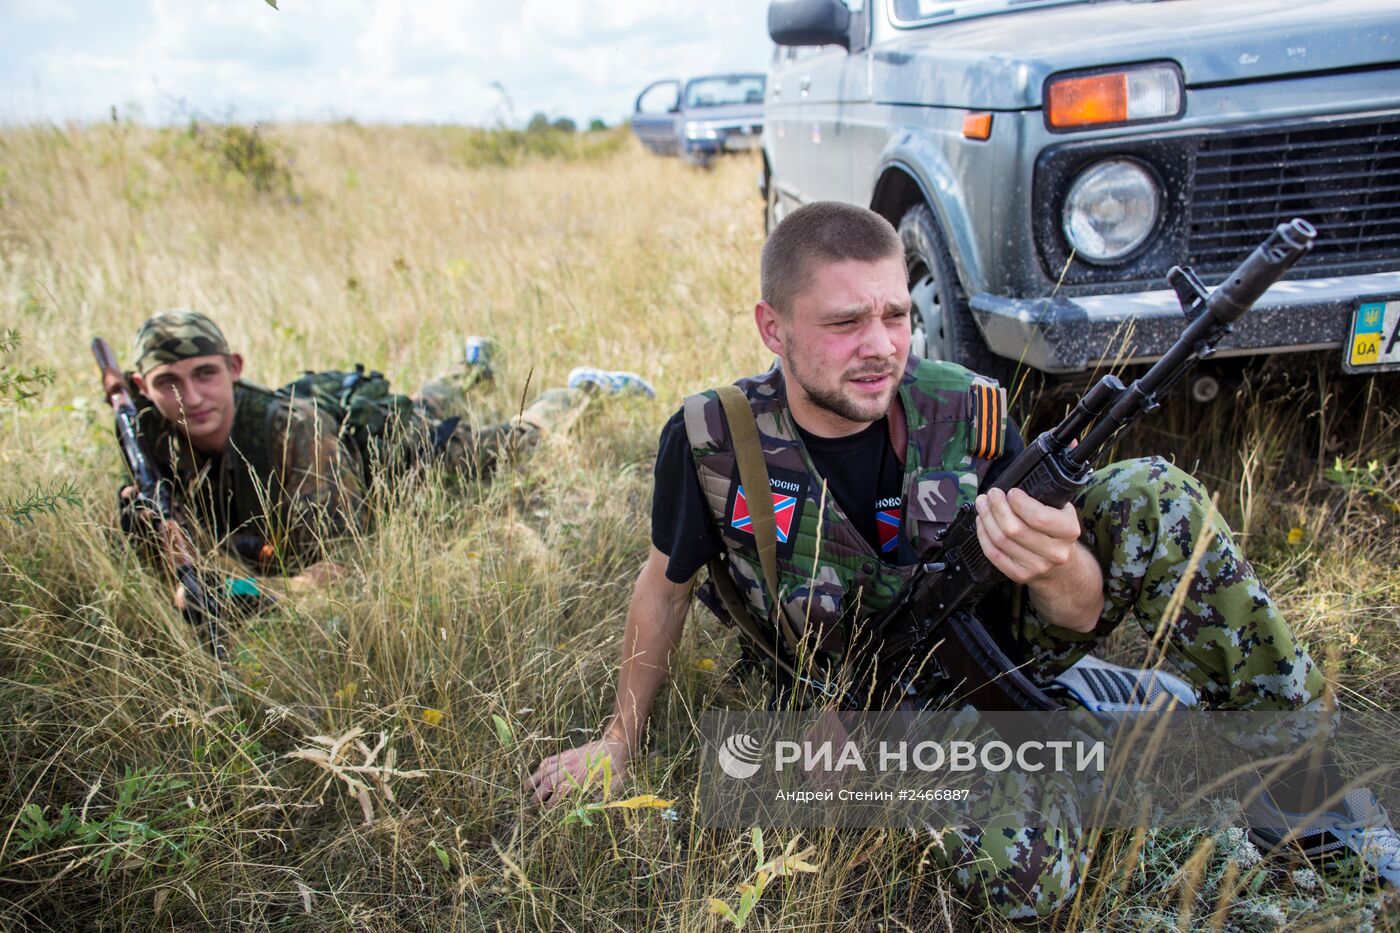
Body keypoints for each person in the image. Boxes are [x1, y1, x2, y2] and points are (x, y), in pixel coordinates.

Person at [527, 202, 1399, 918]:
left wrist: (1057, 562)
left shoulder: (968, 409)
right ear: (773, 327)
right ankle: (1101, 734)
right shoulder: (712, 439)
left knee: (1152, 493)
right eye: (844, 322)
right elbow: (663, 588)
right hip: (856, 701)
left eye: (897, 314)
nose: (881, 344)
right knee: (1033, 884)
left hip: (991, 646)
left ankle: (1298, 775)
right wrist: (620, 740)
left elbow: (1077, 614)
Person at [118, 308, 651, 600]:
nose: (191, 398)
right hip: (351, 435)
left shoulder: (292, 432)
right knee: (422, 402)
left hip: (394, 458)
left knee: (503, 445)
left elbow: (339, 569)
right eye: (169, 383)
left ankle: (582, 390)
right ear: (144, 386)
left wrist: (241, 592)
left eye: (205, 374)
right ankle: (474, 366)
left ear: (234, 367)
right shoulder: (153, 440)